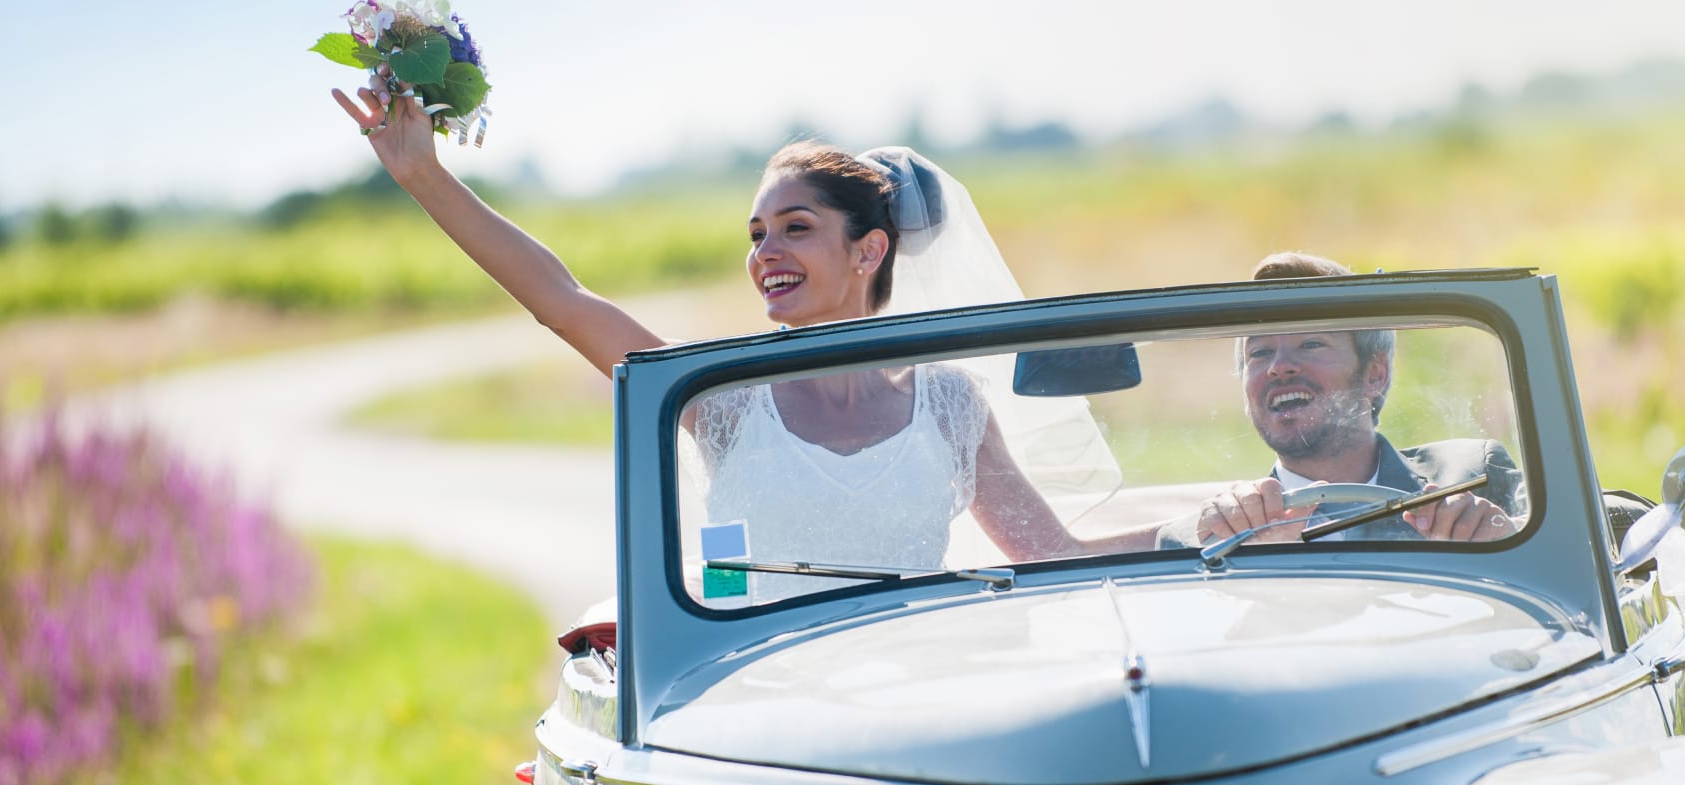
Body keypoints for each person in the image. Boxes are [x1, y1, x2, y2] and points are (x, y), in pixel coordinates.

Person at [331, 82, 1143, 601]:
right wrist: (423, 176)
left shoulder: (950, 405)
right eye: (757, 234)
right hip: (756, 709)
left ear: (869, 250)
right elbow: (560, 300)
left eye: (796, 229)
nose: (765, 255)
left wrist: (1225, 527)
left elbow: (1051, 553)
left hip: (912, 698)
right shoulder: (721, 394)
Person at [1170, 251, 1526, 548]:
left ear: (1375, 375)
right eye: (1259, 353)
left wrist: (1504, 539)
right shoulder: (1215, 534)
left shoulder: (1475, 473)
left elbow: (1566, 574)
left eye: (1310, 344)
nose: (1279, 367)